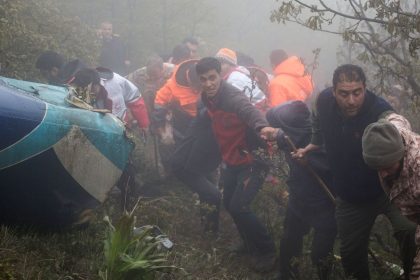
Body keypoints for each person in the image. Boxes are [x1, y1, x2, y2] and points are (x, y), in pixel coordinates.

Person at [293, 64, 416, 280]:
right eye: (344, 94)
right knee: (351, 256)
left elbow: (396, 123)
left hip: (389, 192)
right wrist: (315, 143)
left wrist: (399, 133)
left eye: (357, 93)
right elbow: (316, 117)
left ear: (365, 88)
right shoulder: (323, 102)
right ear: (333, 91)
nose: (351, 100)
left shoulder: (379, 110)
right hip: (350, 197)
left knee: (409, 232)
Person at [195, 57, 279, 271]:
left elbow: (249, 111)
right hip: (232, 159)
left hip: (253, 159)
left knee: (239, 206)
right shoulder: (206, 98)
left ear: (219, 75)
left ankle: (268, 250)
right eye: (203, 80)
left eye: (212, 78)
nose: (208, 84)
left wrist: (262, 127)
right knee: (230, 204)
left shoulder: (232, 96)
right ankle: (248, 242)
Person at [266, 101, 337, 280]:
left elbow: (332, 166)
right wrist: (278, 133)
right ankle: (286, 275)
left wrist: (310, 162)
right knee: (290, 239)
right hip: (299, 198)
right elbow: (278, 127)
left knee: (321, 253)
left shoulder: (321, 139)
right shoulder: (290, 136)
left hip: (325, 204)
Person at [362, 113, 420, 280]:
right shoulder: (392, 133)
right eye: (377, 167)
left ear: (400, 154)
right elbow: (395, 119)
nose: (383, 173)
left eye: (387, 166)